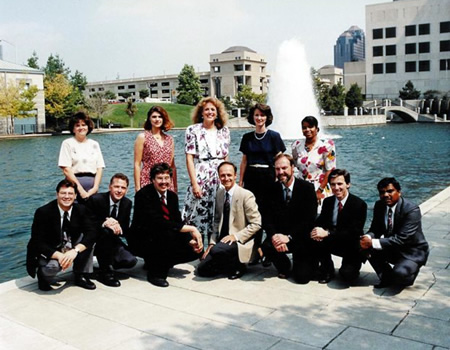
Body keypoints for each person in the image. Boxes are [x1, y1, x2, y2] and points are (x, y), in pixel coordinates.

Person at [130, 163, 203, 287]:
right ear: (152, 180)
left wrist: (190, 240)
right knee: (164, 234)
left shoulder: (172, 196)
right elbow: (157, 222)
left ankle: (155, 261)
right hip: (144, 239)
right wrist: (192, 228)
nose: (164, 182)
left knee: (194, 251)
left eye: (167, 178)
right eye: (159, 178)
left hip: (164, 235)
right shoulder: (143, 195)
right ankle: (156, 273)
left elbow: (177, 221)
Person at [26, 180, 97, 291]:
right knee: (52, 268)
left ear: (75, 196)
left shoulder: (81, 210)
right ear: (57, 194)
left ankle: (80, 275)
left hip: (71, 244)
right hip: (52, 248)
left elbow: (92, 232)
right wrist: (59, 256)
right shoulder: (43, 212)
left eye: (70, 194)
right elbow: (37, 241)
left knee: (88, 240)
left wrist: (75, 251)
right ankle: (42, 276)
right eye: (63, 193)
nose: (67, 197)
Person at [360, 178, 429, 288]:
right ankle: (386, 277)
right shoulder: (379, 205)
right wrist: (367, 237)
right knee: (363, 245)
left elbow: (402, 238)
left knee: (400, 276)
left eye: (390, 191)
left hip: (411, 252)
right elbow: (375, 229)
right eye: (382, 192)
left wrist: (372, 242)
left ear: (399, 192)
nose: (386, 195)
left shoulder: (411, 209)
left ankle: (408, 273)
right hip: (392, 247)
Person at [197, 162, 262, 279]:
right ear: (219, 176)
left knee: (217, 251)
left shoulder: (246, 195)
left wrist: (235, 236)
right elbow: (217, 221)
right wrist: (211, 243)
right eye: (222, 175)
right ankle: (227, 263)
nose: (226, 178)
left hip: (239, 241)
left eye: (229, 175)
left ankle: (239, 265)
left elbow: (256, 224)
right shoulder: (220, 193)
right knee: (202, 270)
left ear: (235, 175)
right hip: (223, 241)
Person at [239, 103, 285, 263]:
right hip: (252, 179)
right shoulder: (247, 138)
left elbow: (280, 160)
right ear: (253, 117)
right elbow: (244, 161)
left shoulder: (274, 136)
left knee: (269, 215)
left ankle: (269, 251)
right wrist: (240, 182)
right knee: (252, 215)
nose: (259, 118)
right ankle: (253, 251)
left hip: (269, 179)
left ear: (267, 117)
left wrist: (279, 179)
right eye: (257, 115)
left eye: (262, 115)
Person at [261, 154, 317, 283]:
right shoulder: (270, 189)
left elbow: (309, 219)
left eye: (284, 168)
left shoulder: (307, 188)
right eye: (277, 169)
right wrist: (274, 236)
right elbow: (266, 217)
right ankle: (284, 266)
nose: (281, 172)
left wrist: (289, 237)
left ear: (293, 168)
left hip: (300, 237)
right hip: (279, 236)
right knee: (266, 246)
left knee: (302, 278)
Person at [182, 97, 230, 243]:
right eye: (207, 109)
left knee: (217, 211)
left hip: (219, 176)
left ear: (218, 113)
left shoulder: (224, 131)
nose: (210, 112)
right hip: (201, 174)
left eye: (213, 110)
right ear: (201, 113)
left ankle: (212, 247)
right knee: (196, 210)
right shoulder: (193, 130)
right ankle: (196, 247)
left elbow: (226, 156)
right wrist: (194, 183)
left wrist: (228, 180)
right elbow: (189, 158)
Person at [310, 169, 367, 283]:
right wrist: (316, 230)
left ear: (348, 184)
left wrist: (327, 233)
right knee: (315, 236)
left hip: (350, 244)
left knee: (347, 276)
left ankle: (351, 267)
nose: (336, 188)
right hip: (333, 240)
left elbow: (354, 232)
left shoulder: (359, 205)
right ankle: (327, 268)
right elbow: (321, 221)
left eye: (340, 184)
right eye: (333, 184)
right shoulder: (328, 202)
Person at [86, 173, 137, 287]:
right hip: (94, 240)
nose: (119, 190)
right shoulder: (96, 199)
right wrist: (104, 223)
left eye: (123, 188)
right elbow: (87, 223)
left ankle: (108, 263)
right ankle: (105, 272)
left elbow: (124, 227)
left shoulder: (127, 203)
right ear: (110, 187)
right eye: (116, 186)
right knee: (106, 231)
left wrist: (116, 224)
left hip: (112, 241)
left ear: (127, 190)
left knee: (130, 261)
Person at [58, 111, 105, 202]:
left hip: (92, 188)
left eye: (83, 125)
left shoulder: (94, 144)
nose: (81, 128)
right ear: (73, 128)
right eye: (77, 125)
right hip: (73, 187)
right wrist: (80, 189)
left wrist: (95, 187)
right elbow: (66, 169)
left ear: (88, 127)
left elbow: (100, 168)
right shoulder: (67, 143)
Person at [291, 116, 336, 207]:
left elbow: (330, 170)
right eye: (304, 127)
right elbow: (295, 165)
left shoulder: (327, 145)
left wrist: (319, 190)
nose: (307, 130)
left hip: (320, 187)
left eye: (310, 127)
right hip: (301, 187)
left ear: (317, 129)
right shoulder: (296, 145)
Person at [134, 105, 177, 193]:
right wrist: (137, 187)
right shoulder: (143, 137)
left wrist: (175, 187)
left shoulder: (170, 139)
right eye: (154, 117)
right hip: (148, 181)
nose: (157, 119)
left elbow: (172, 166)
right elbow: (137, 164)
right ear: (149, 119)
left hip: (166, 182)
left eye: (160, 116)